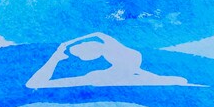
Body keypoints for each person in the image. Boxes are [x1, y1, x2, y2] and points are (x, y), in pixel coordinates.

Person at [27, 32, 192, 88]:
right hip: (128, 68)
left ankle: (52, 66)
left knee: (93, 77)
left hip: (128, 67)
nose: (84, 58)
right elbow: (134, 70)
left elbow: (97, 33)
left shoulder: (109, 46)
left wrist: (68, 43)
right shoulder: (109, 59)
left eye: (83, 53)